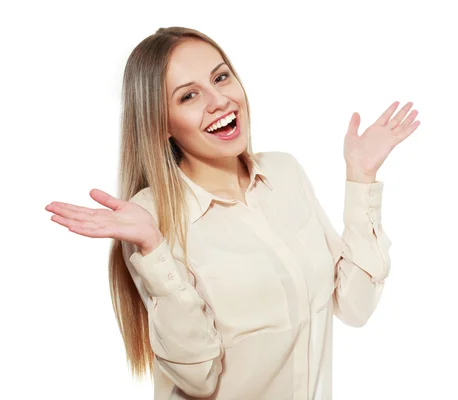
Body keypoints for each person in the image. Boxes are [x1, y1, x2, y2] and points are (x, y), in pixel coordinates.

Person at [45, 26, 420, 400]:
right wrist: (154, 249)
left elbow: (355, 306)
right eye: (189, 95)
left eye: (221, 77)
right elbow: (198, 380)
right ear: (160, 124)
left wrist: (361, 177)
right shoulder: (148, 218)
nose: (219, 100)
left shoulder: (285, 174)